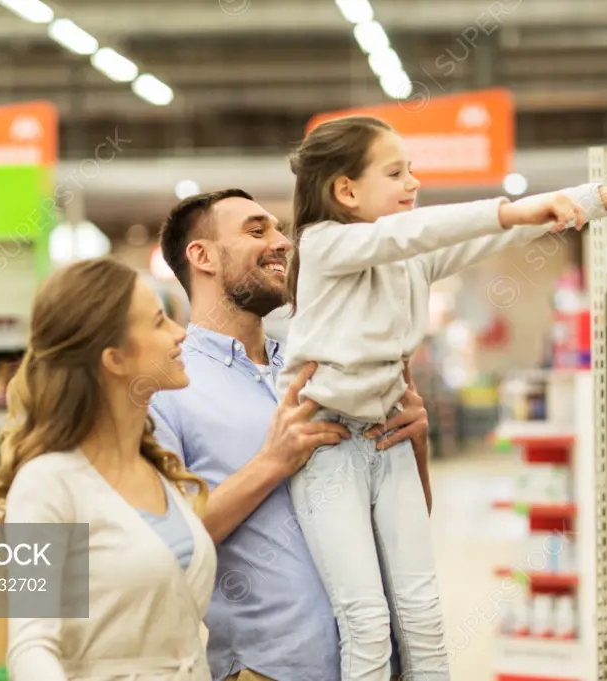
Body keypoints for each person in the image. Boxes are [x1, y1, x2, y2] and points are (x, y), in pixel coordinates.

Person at [278, 114, 607, 681]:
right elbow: (406, 234)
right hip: (327, 448)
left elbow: (495, 235)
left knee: (424, 617)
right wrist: (510, 207)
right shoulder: (322, 245)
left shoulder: (407, 258)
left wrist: (603, 196)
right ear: (346, 190)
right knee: (365, 621)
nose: (413, 182)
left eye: (411, 169)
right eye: (396, 172)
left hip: (388, 438)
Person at [151, 189, 432, 681]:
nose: (282, 242)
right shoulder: (168, 389)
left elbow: (405, 521)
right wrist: (271, 464)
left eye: (281, 230)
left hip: (378, 664)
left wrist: (416, 446)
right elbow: (166, 545)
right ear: (203, 256)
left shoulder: (324, 369)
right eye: (257, 231)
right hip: (271, 670)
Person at [0, 257, 217, 681]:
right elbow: (30, 646)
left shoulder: (157, 470)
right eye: (160, 321)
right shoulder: (49, 483)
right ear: (114, 358)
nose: (180, 332)